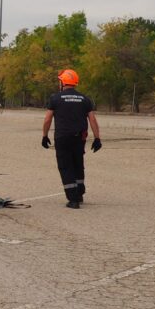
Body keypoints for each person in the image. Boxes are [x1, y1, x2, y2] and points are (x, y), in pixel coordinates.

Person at [42, 69, 102, 209]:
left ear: (63, 82)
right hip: (79, 138)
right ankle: (79, 193)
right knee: (77, 164)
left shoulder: (55, 98)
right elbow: (92, 119)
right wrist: (97, 138)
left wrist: (44, 136)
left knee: (65, 166)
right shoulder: (84, 99)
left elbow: (47, 119)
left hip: (62, 138)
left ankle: (73, 199)